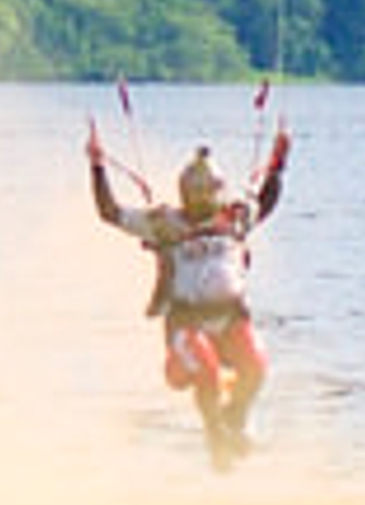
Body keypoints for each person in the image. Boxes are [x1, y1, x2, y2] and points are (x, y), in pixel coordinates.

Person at [87, 115, 292, 460]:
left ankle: (234, 421)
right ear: (184, 191)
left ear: (219, 190)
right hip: (187, 326)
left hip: (231, 321)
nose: (201, 197)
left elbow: (267, 201)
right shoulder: (165, 224)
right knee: (208, 372)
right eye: (195, 191)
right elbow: (110, 212)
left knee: (256, 368)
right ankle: (216, 437)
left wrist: (279, 164)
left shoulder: (235, 217)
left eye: (208, 190)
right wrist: (97, 167)